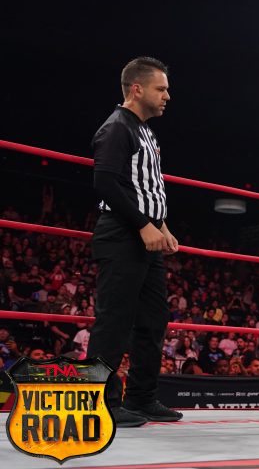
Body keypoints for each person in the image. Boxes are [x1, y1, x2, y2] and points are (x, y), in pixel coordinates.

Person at [87, 57, 182, 428]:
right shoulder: (117, 127)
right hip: (122, 234)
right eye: (161, 89)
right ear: (137, 89)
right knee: (114, 322)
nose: (167, 96)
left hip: (147, 236)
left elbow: (145, 186)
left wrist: (161, 226)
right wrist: (144, 225)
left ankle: (141, 397)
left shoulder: (146, 131)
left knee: (153, 321)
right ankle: (98, 404)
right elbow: (106, 182)